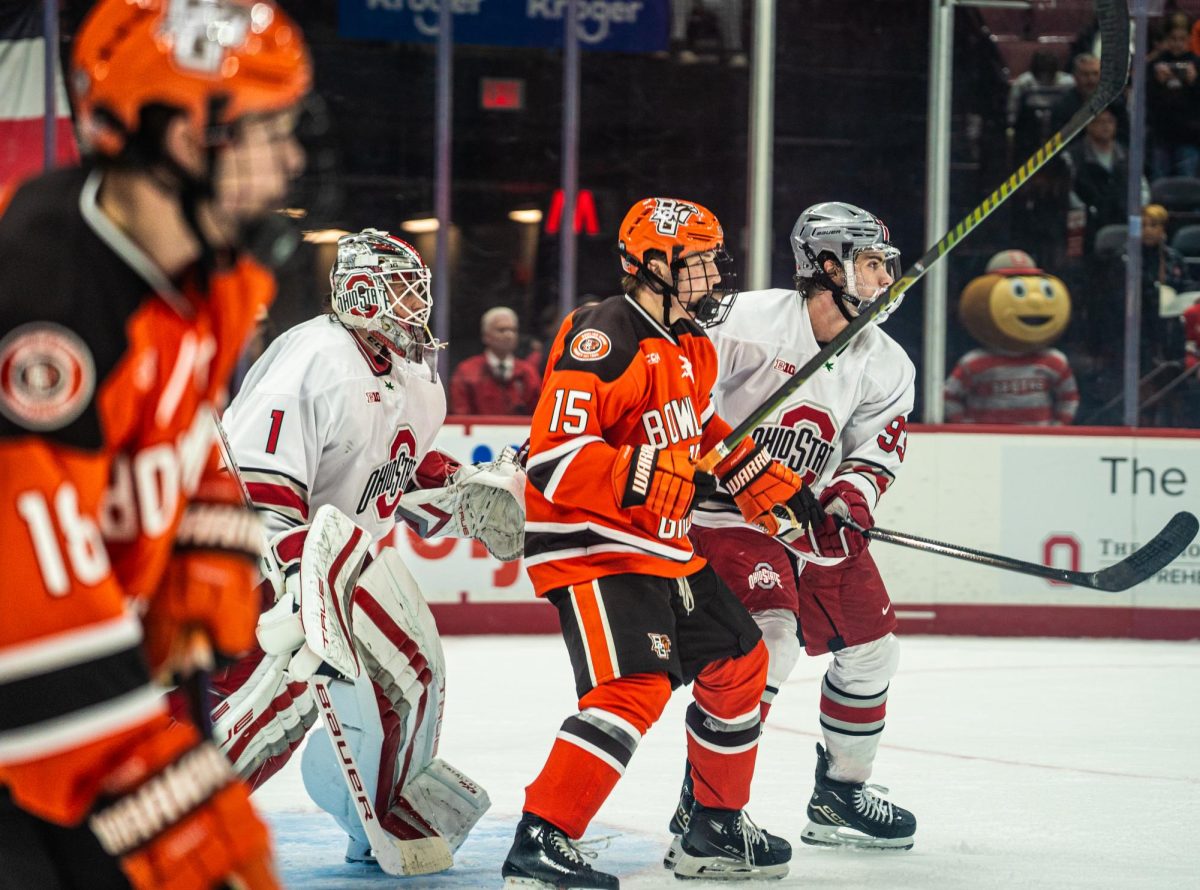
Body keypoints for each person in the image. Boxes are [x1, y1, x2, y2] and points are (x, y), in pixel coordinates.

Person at [0, 1, 310, 888]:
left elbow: (183, 426)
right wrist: (154, 790)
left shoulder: (198, 268)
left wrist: (206, 536)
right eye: (267, 129)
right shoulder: (40, 301)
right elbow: (22, 601)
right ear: (178, 133)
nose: (290, 159)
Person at [501, 197, 823, 888]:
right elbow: (554, 457)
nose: (711, 275)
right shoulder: (602, 333)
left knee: (741, 662)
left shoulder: (692, 346)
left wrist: (762, 479)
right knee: (634, 687)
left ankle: (713, 830)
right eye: (695, 262)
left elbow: (700, 437)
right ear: (649, 264)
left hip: (662, 546)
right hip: (591, 544)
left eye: (712, 260)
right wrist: (643, 473)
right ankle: (540, 841)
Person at [210, 229, 504, 871]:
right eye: (399, 291)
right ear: (360, 291)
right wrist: (291, 579)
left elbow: (398, 473)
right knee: (277, 696)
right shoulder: (316, 356)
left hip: (339, 565)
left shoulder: (416, 380)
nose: (413, 306)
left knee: (412, 677)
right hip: (254, 557)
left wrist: (460, 493)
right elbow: (258, 477)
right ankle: (182, 823)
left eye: (416, 292)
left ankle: (373, 811)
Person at [670, 202, 918, 858]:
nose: (884, 278)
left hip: (804, 521)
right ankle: (708, 803)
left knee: (873, 653)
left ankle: (839, 794)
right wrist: (689, 459)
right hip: (722, 515)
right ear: (826, 265)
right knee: (770, 639)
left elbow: (874, 453)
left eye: (885, 265)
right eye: (870, 264)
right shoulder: (741, 323)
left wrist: (850, 500)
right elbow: (668, 391)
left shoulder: (887, 363)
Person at [449, 306, 542, 415]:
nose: (509, 335)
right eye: (501, 330)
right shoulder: (467, 371)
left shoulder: (528, 372)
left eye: (513, 330)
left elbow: (539, 413)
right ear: (486, 336)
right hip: (478, 431)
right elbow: (460, 416)